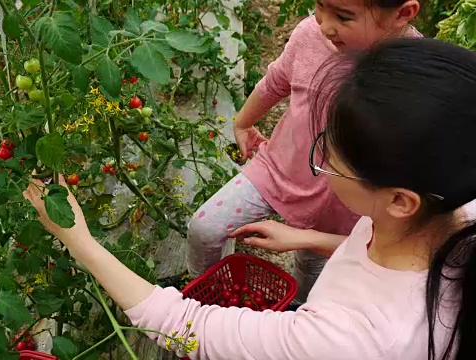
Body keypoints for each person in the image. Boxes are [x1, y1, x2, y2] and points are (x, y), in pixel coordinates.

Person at [24, 38, 476, 359]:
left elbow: (184, 328)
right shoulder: (452, 210)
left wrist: (77, 238)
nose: (320, 162)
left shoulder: (355, 339)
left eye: (329, 161)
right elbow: (393, 268)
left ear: (400, 200)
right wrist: (308, 238)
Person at [166, 0, 424, 302]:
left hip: (344, 200)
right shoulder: (310, 35)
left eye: (343, 16)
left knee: (312, 264)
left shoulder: (414, 71)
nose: (325, 25)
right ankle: (203, 286)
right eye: (319, 5)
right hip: (281, 166)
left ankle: (298, 305)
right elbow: (276, 82)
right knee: (206, 226)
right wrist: (243, 123)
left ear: (402, 14)